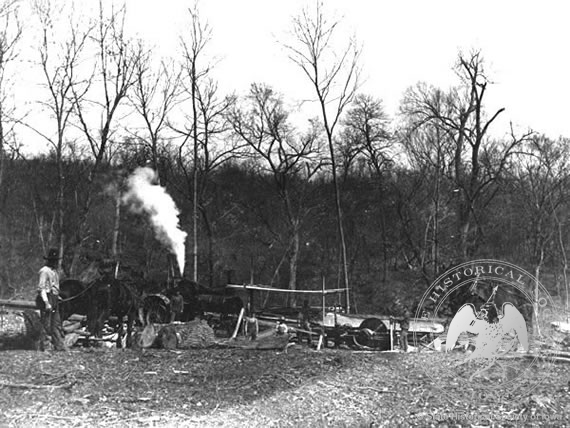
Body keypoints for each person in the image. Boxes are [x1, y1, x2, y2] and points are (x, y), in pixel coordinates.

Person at [35, 248, 66, 351]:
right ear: (50, 260)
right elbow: (41, 288)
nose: (56, 262)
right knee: (46, 323)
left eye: (56, 260)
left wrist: (57, 297)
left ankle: (59, 346)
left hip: (54, 298)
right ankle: (45, 346)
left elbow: (54, 286)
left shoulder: (54, 271)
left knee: (56, 323)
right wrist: (46, 302)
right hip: (46, 298)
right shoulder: (44, 271)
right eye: (54, 260)